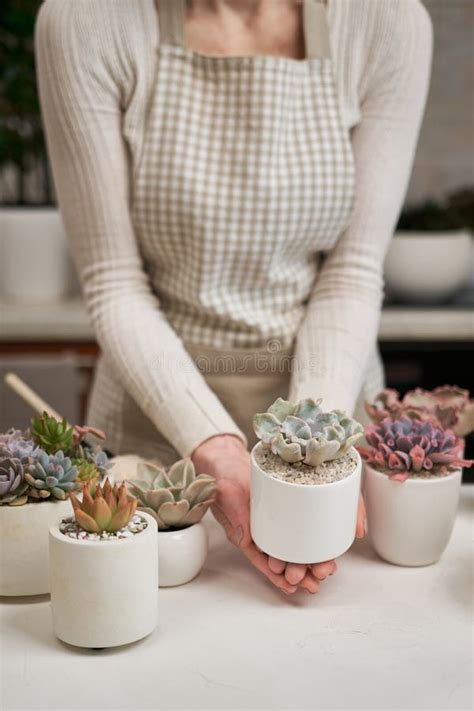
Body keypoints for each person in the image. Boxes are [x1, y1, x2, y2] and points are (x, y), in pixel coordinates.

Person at [35, 0, 432, 594]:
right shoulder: (86, 20)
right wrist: (215, 452)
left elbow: (350, 273)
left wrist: (314, 459)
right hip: (158, 433)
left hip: (326, 395)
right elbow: (114, 280)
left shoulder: (387, 22)